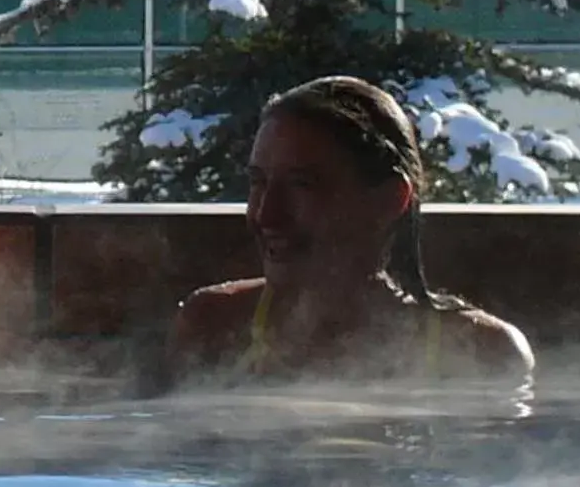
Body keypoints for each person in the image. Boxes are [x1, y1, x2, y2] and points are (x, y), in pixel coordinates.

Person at [165, 76, 532, 386]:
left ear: (391, 199)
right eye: (257, 182)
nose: (267, 214)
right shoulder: (214, 328)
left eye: (302, 185)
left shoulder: (483, 354)